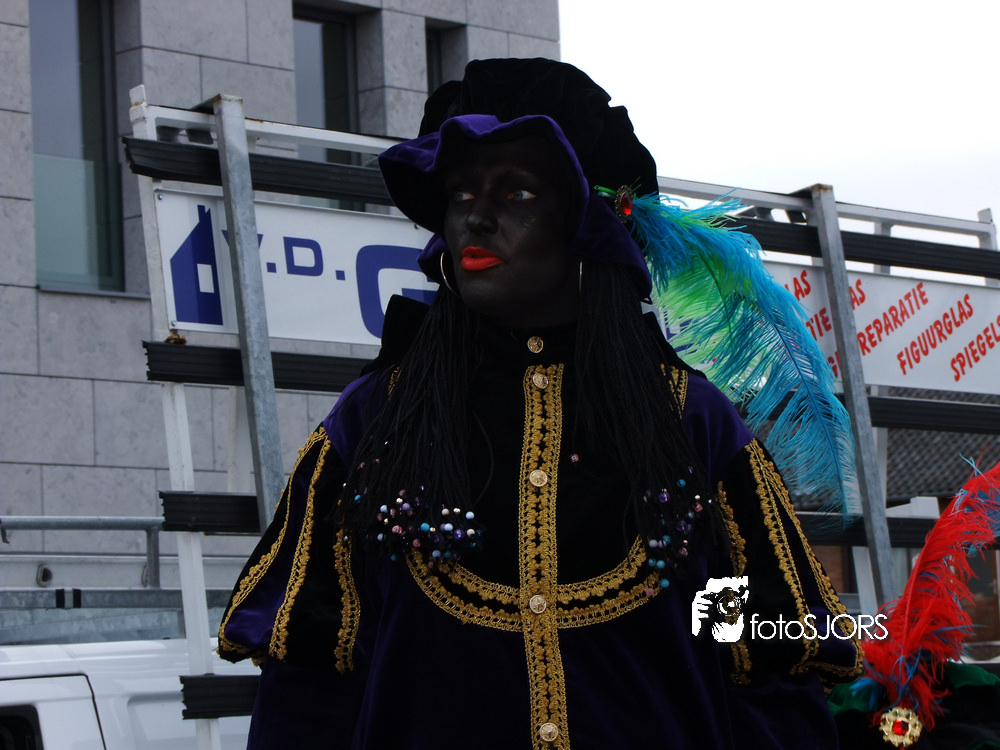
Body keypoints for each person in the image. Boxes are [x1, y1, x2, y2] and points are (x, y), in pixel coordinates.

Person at [219, 58, 862, 749]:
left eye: (517, 192)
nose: (476, 217)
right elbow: (312, 686)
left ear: (588, 225)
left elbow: (760, 679)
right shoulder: (375, 422)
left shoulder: (691, 426)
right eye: (461, 193)